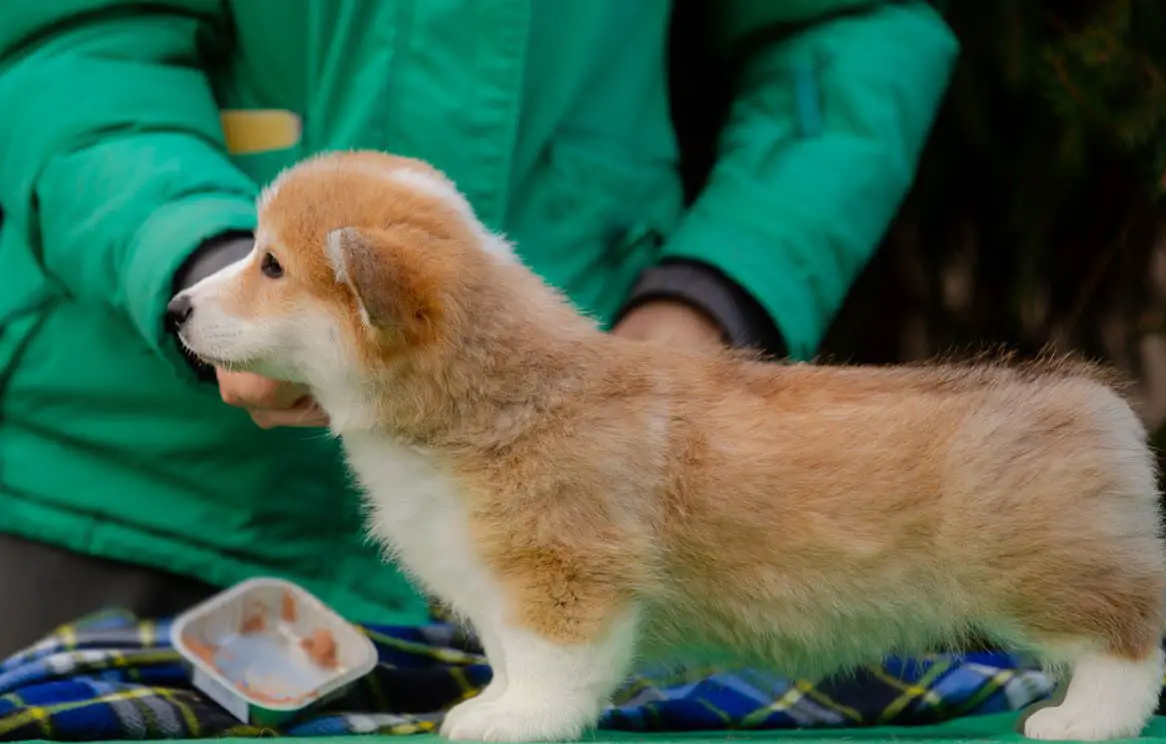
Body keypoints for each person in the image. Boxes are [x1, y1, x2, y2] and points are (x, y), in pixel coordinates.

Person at [0, 0, 957, 654]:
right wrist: (195, 253)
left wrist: (713, 290)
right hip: (131, 495)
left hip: (574, 478)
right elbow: (67, 38)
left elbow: (849, 29)